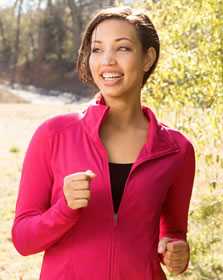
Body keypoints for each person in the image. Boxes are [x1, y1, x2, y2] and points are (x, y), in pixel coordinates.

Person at [12, 6, 195, 280]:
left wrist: (177, 252)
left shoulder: (177, 149)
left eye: (122, 48)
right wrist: (64, 209)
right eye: (97, 50)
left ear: (148, 58)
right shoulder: (53, 135)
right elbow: (23, 241)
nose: (107, 60)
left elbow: (173, 233)